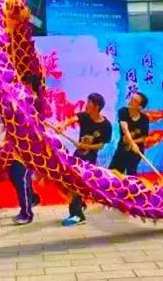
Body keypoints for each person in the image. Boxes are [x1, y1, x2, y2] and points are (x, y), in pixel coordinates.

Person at [55, 93, 112, 227]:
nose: (86, 105)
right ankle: (80, 205)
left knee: (77, 185)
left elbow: (101, 145)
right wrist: (62, 126)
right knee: (71, 182)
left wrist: (86, 146)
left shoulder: (106, 125)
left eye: (89, 103)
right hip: (78, 154)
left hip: (89, 158)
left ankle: (77, 216)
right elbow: (72, 119)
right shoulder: (84, 116)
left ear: (97, 107)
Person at [8, 74, 42, 225]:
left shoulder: (34, 101)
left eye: (24, 84)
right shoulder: (24, 100)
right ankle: (32, 198)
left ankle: (27, 213)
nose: (21, 86)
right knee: (15, 175)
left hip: (29, 149)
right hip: (19, 147)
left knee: (21, 176)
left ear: (30, 85)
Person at [109, 92, 150, 175]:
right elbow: (125, 128)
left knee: (130, 174)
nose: (130, 101)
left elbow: (144, 138)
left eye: (134, 100)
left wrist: (134, 144)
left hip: (136, 151)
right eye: (131, 98)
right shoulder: (123, 111)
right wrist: (132, 143)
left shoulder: (144, 119)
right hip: (122, 149)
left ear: (140, 107)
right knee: (112, 173)